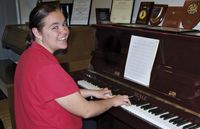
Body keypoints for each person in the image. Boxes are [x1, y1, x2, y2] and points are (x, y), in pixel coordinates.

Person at [14, 2, 131, 129]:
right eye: (55, 27)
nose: (64, 30)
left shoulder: (29, 55)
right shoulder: (46, 67)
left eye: (64, 24)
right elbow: (86, 111)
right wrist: (112, 101)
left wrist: (94, 92)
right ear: (37, 32)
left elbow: (58, 93)